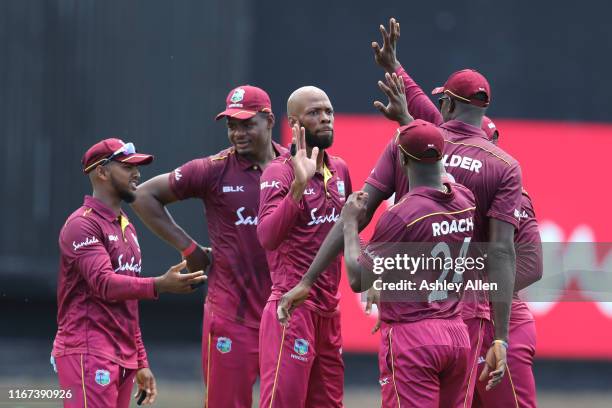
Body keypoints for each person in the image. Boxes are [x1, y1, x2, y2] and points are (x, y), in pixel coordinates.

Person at [278, 19, 523, 399]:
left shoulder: (404, 178)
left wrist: (309, 279)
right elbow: (504, 251)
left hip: (412, 321)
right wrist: (503, 338)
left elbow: (358, 231)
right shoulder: (495, 172)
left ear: (447, 106)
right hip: (465, 317)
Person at [131, 85, 286, 407]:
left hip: (285, 315)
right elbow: (143, 196)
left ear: (269, 120)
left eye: (246, 124)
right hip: (231, 315)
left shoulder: (294, 167)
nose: (237, 133)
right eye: (231, 125)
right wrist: (191, 250)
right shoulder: (213, 170)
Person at [52, 138, 206, 408]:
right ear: (101, 172)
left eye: (137, 166)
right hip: (87, 352)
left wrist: (140, 361)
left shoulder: (127, 226)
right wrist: (160, 285)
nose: (137, 173)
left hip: (123, 358)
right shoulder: (81, 225)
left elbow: (128, 303)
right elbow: (105, 284)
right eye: (127, 166)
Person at [342, 120, 476, 407]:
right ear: (441, 157)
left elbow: (359, 279)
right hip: (456, 333)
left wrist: (350, 227)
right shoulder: (466, 199)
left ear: (401, 159)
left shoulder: (401, 214)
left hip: (414, 339)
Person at [256, 86, 351, 408]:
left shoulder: (341, 170)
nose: (325, 118)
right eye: (314, 113)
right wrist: (297, 187)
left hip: (329, 312)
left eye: (328, 111)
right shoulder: (278, 172)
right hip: (291, 310)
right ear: (295, 125)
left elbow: (345, 233)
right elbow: (267, 237)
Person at [471, 119, 542, 408]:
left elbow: (532, 266)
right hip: (466, 326)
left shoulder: (514, 198)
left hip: (502, 324)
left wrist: (480, 291)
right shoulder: (452, 199)